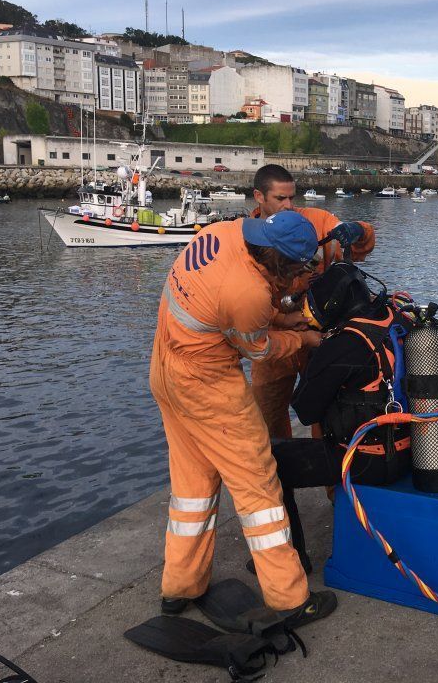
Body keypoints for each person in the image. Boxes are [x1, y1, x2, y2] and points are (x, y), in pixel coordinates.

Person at [148, 210, 336, 627]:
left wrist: (280, 316)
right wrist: (302, 337)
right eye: (300, 268)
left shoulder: (223, 232)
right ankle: (290, 599)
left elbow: (227, 305)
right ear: (279, 263)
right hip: (207, 384)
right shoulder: (248, 292)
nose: (302, 275)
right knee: (259, 488)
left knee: (193, 488)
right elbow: (259, 349)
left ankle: (180, 587)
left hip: (165, 369)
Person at [261, 262, 412, 572]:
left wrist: (316, 355)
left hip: (364, 460)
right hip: (413, 452)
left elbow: (306, 411)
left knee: (267, 462)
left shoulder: (344, 343)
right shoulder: (399, 320)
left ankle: (291, 560)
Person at [249, 164, 376, 440]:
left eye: (292, 198)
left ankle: (332, 477)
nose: (288, 205)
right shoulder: (250, 236)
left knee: (330, 417)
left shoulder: (315, 220)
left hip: (321, 336)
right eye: (280, 199)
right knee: (268, 422)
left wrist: (359, 231)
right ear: (259, 197)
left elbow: (356, 243)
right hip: (274, 337)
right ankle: (281, 481)